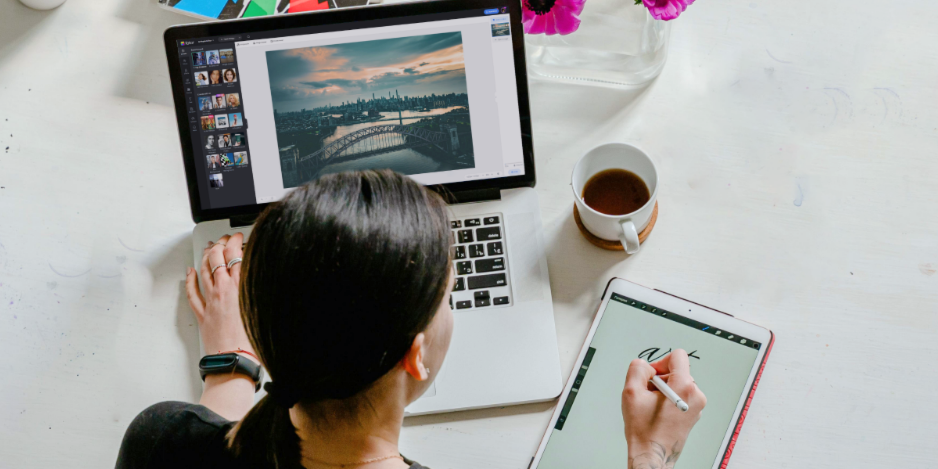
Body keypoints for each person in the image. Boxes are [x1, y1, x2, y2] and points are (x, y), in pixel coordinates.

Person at [116, 171, 705, 469]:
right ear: (415, 354)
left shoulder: (160, 442)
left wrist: (228, 367)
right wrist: (650, 454)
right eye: (447, 295)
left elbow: (215, 448)